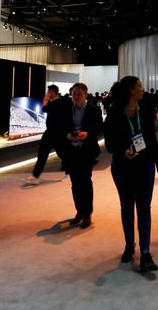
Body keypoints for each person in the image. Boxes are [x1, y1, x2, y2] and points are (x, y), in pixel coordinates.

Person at [104, 77, 158, 272]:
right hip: (122, 166)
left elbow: (151, 138)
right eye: (139, 86)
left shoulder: (145, 109)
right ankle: (130, 245)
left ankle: (145, 252)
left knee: (144, 207)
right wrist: (122, 151)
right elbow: (109, 143)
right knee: (127, 206)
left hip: (145, 164)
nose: (142, 89)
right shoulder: (114, 112)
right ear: (130, 90)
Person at [51, 83, 102, 228]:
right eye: (74, 93)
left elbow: (99, 126)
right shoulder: (67, 109)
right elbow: (60, 127)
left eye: (79, 93)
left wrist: (88, 133)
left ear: (86, 94)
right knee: (75, 183)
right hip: (71, 151)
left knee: (85, 181)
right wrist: (67, 135)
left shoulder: (93, 109)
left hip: (86, 151)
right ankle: (79, 210)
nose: (76, 96)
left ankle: (87, 213)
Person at [25, 84, 67, 185]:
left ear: (54, 93)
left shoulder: (58, 102)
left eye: (49, 92)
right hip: (50, 133)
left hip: (57, 134)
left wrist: (45, 100)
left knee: (63, 154)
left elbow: (44, 109)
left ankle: (70, 172)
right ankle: (35, 176)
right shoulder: (56, 102)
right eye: (48, 92)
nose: (47, 94)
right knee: (43, 155)